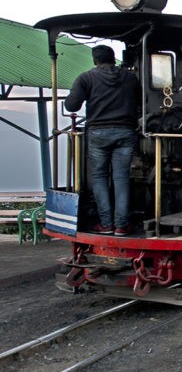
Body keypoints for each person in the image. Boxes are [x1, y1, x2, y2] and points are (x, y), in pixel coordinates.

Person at [65, 45, 141, 235]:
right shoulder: (130, 77)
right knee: (121, 177)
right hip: (125, 131)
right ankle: (122, 225)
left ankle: (106, 224)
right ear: (113, 58)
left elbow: (72, 105)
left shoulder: (86, 78)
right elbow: (141, 101)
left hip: (98, 132)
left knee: (99, 177)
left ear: (94, 60)